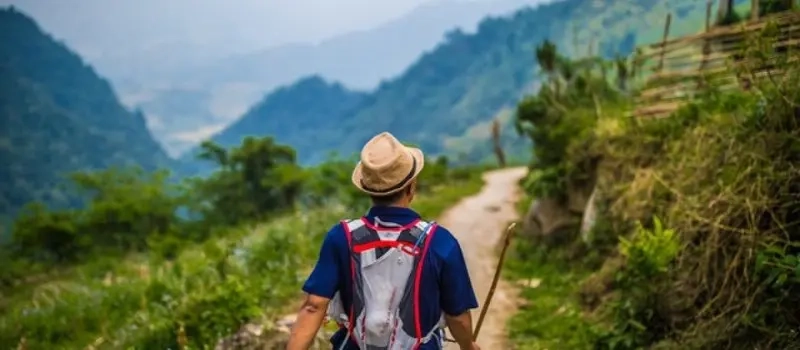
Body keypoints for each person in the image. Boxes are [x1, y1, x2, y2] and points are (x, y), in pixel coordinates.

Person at [286, 132, 480, 350]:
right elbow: (457, 316)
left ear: (368, 190)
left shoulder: (341, 238)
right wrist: (468, 346)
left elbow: (314, 306)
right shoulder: (440, 242)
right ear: (411, 187)